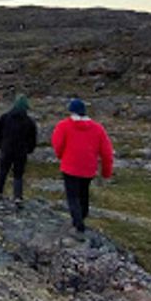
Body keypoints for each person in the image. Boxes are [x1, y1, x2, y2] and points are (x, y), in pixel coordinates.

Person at [51, 98, 114, 237]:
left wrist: (61, 156)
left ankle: (78, 223)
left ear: (71, 111)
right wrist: (106, 172)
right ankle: (82, 216)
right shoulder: (98, 129)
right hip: (88, 169)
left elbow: (57, 144)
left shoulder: (63, 126)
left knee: (72, 196)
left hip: (69, 167)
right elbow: (107, 152)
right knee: (84, 193)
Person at [0, 94, 38, 208]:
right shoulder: (29, 121)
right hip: (21, 152)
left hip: (6, 149)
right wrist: (30, 149)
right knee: (18, 175)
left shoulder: (4, 118)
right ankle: (17, 197)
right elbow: (33, 139)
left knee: (3, 171)